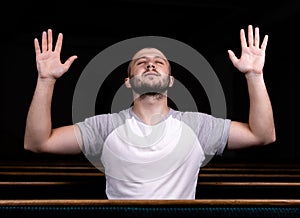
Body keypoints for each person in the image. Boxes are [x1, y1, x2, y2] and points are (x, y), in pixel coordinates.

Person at [24, 25, 276, 199]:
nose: (151, 63)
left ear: (170, 81)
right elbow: (38, 142)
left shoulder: (198, 127)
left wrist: (254, 75)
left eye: (159, 61)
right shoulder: (105, 127)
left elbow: (262, 135)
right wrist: (46, 80)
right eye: (141, 63)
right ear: (128, 81)